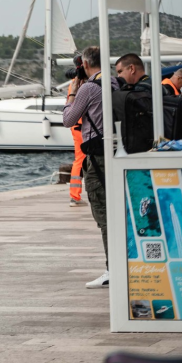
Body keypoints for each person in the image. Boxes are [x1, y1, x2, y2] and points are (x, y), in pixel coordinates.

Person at [64, 47, 120, 289]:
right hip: (116, 152)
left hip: (97, 158)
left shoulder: (87, 88)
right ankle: (123, 265)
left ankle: (113, 269)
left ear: (85, 64)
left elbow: (68, 119)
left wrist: (72, 94)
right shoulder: (114, 83)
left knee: (104, 215)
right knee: (117, 212)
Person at [69, 115, 86, 207]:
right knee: (80, 160)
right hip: (82, 126)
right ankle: (75, 196)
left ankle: (74, 196)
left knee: (79, 160)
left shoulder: (71, 99)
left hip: (77, 126)